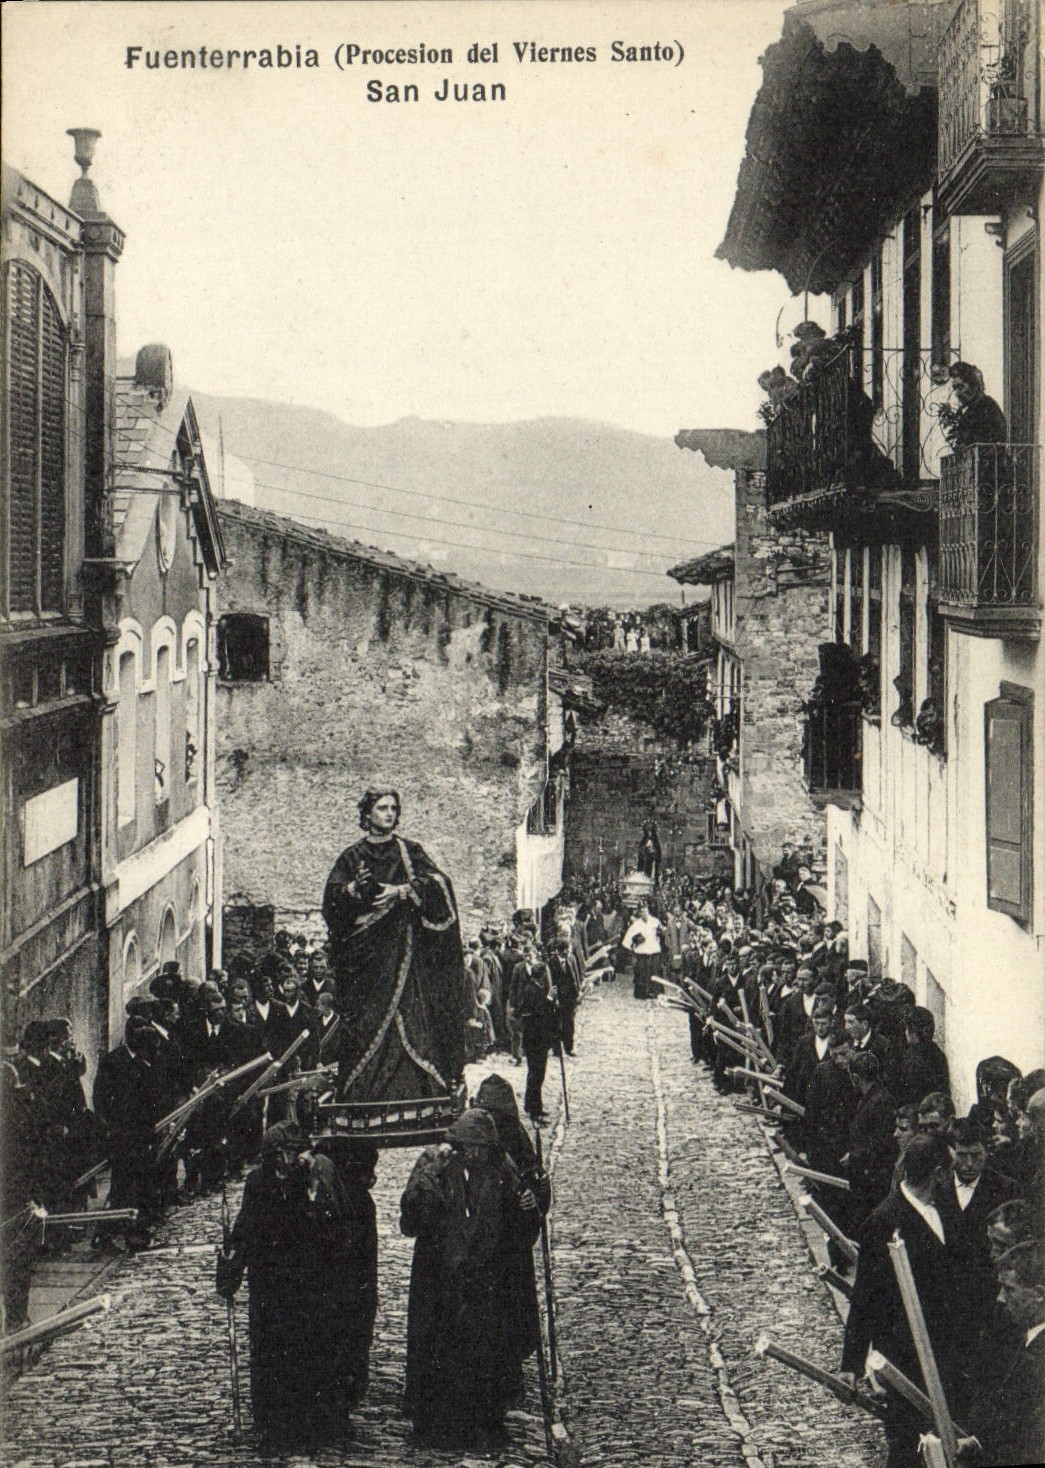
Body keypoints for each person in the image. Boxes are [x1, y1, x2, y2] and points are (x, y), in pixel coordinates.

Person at [217, 1120, 378, 1448]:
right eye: (283, 1154)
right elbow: (245, 1228)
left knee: (311, 1351)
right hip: (270, 1286)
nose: (289, 1161)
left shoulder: (313, 1182)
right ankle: (274, 1423)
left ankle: (317, 1420)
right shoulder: (258, 1184)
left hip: (308, 1284)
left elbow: (335, 1230)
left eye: (294, 1153)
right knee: (272, 1355)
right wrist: (231, 1266)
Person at [399, 1107, 541, 1450]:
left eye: (481, 1147)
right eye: (469, 1146)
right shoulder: (435, 1166)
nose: (475, 1154)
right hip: (441, 1280)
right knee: (440, 1354)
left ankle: (484, 1425)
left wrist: (529, 1206)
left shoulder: (503, 1172)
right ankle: (435, 1426)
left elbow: (521, 1232)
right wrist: (426, 1185)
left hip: (484, 1281)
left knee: (483, 1357)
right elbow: (411, 1220)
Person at [322, 788, 468, 1103]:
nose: (389, 813)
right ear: (367, 814)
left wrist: (401, 892)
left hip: (404, 957)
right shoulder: (351, 857)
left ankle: (422, 1098)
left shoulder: (409, 852)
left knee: (412, 1019)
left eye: (393, 808)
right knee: (367, 1026)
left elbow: (439, 885)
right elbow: (332, 904)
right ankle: (363, 1101)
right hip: (367, 964)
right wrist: (351, 890)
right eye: (381, 808)